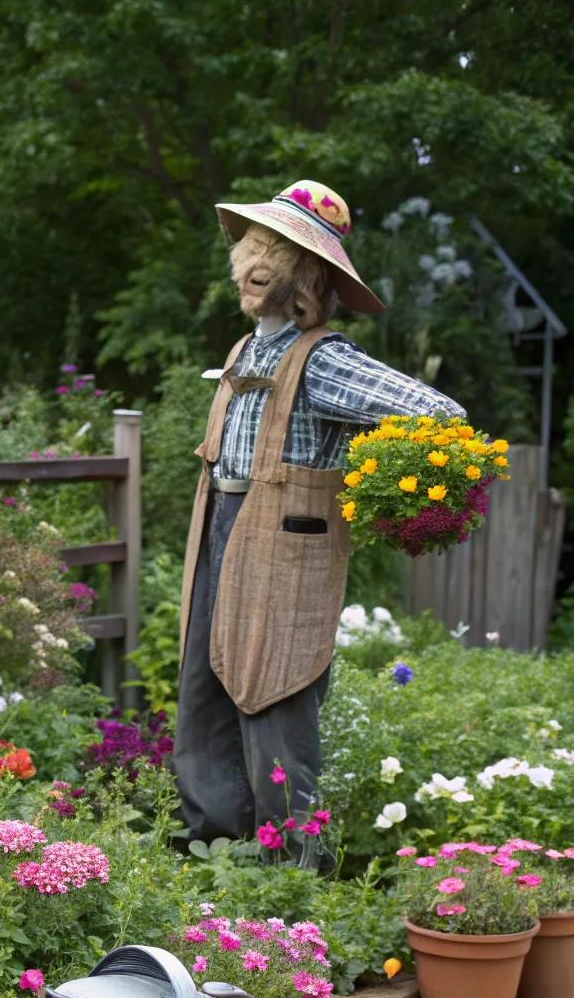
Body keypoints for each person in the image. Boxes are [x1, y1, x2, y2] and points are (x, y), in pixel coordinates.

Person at [174, 180, 464, 860]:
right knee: (205, 688)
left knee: (273, 689)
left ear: (305, 275)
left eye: (272, 250)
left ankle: (293, 869)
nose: (253, 261)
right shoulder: (247, 351)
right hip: (219, 526)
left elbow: (440, 415)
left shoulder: (325, 361)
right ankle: (215, 854)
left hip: (282, 544)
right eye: (251, 245)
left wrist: (388, 482)